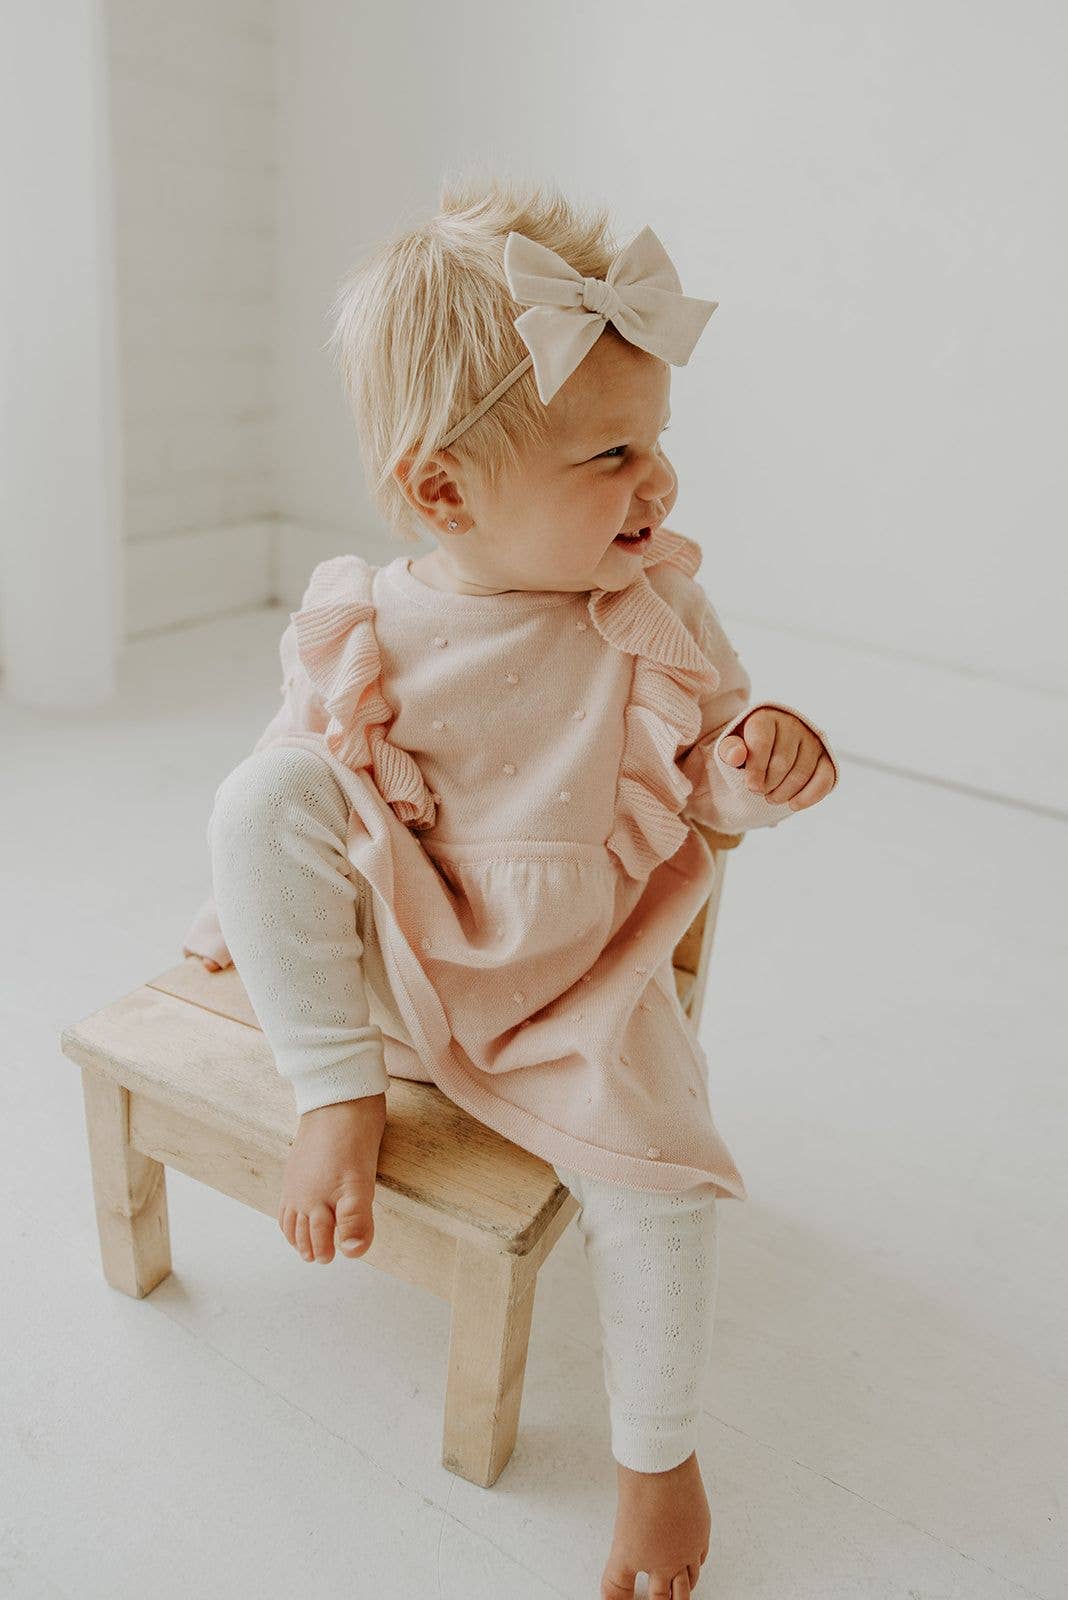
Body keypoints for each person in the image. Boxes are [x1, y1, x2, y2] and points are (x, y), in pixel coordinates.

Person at [182, 172, 838, 1599]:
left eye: (655, 443)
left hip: (577, 982)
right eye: (607, 455)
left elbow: (701, 800)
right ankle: (331, 1091)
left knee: (664, 1185)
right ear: (441, 488)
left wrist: (757, 767)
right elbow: (304, 807)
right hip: (398, 964)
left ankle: (658, 1462)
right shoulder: (369, 620)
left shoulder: (652, 610)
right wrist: (275, 933)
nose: (654, 484)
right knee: (264, 793)